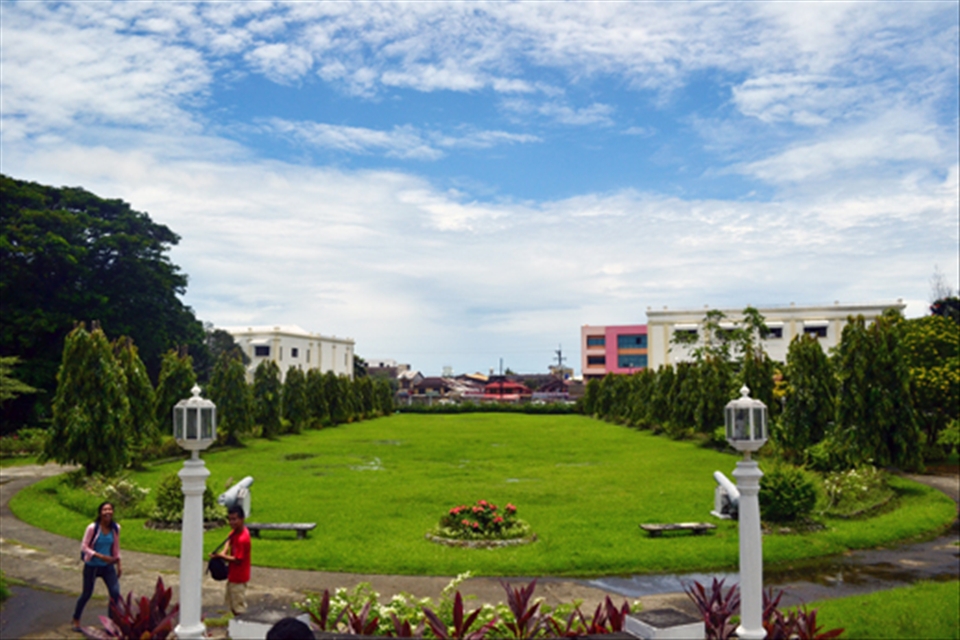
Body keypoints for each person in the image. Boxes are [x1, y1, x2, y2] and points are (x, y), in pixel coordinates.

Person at [72, 501, 122, 630]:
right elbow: (84, 547)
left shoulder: (115, 528)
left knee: (115, 593)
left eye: (110, 509)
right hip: (92, 566)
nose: (108, 512)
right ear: (100, 513)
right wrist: (100, 556)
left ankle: (110, 624)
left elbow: (116, 547)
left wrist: (119, 563)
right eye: (105, 510)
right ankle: (76, 619)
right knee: (87, 594)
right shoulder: (92, 528)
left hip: (108, 567)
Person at [211, 505, 251, 616]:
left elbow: (238, 560)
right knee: (232, 605)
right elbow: (229, 539)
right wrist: (224, 551)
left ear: (242, 519)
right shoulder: (235, 532)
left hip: (239, 577)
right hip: (233, 576)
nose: (231, 522)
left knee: (239, 608)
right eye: (230, 519)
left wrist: (220, 556)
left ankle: (241, 629)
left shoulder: (243, 539)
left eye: (234, 519)